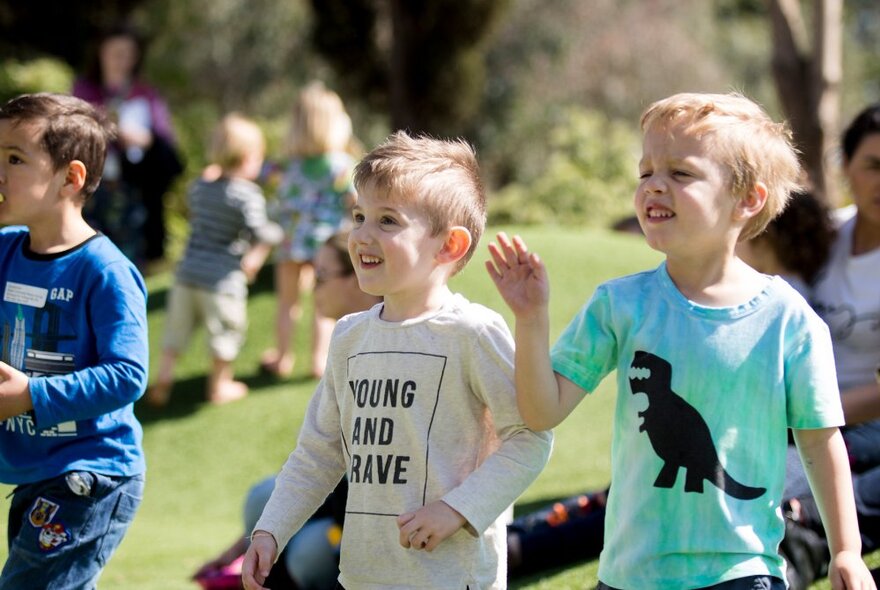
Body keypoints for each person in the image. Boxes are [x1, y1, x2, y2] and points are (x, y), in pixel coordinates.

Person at [487, 92, 874, 589]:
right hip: (631, 572)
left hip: (742, 570)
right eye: (645, 172)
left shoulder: (790, 321)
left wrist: (846, 550)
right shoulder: (620, 305)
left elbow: (820, 441)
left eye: (680, 173)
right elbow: (542, 413)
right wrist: (531, 318)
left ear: (747, 199)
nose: (654, 187)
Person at [242, 131, 553, 590]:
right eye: (359, 215)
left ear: (449, 246)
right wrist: (271, 530)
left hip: (452, 578)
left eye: (387, 221)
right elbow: (319, 452)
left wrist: (456, 511)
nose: (362, 235)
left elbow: (530, 439)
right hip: (364, 577)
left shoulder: (473, 332)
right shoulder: (349, 337)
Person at [0, 93, 148, 588]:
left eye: (15, 159)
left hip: (91, 476)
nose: (0, 171)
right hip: (35, 473)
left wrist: (29, 396)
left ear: (71, 177)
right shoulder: (6, 251)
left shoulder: (104, 271)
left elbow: (128, 375)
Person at [193, 231, 380, 590]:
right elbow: (318, 459)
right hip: (335, 503)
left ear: (359, 279)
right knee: (263, 498)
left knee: (308, 554)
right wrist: (245, 546)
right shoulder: (345, 344)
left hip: (370, 518)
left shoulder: (384, 343)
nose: (314, 287)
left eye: (322, 276)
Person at [147, 113, 281, 407]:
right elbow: (261, 232)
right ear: (248, 158)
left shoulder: (200, 188)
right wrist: (278, 230)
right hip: (221, 280)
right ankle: (220, 387)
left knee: (175, 332)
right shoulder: (247, 195)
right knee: (225, 334)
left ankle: (163, 380)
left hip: (187, 274)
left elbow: (199, 196)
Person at [260, 81, 358, 380]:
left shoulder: (284, 166)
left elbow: (263, 179)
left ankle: (282, 357)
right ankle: (319, 361)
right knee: (321, 303)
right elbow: (355, 202)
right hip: (324, 246)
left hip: (290, 242)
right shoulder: (340, 165)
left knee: (287, 304)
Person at [72, 23, 183, 269]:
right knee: (86, 253)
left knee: (126, 256)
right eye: (116, 53)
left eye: (128, 54)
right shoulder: (85, 89)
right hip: (91, 183)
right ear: (101, 53)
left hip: (132, 187)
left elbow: (162, 138)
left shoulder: (145, 93)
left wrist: (134, 135)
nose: (122, 60)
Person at [810, 104, 880, 472]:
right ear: (846, 165)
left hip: (858, 427)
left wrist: (810, 412)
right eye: (874, 166)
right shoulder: (820, 238)